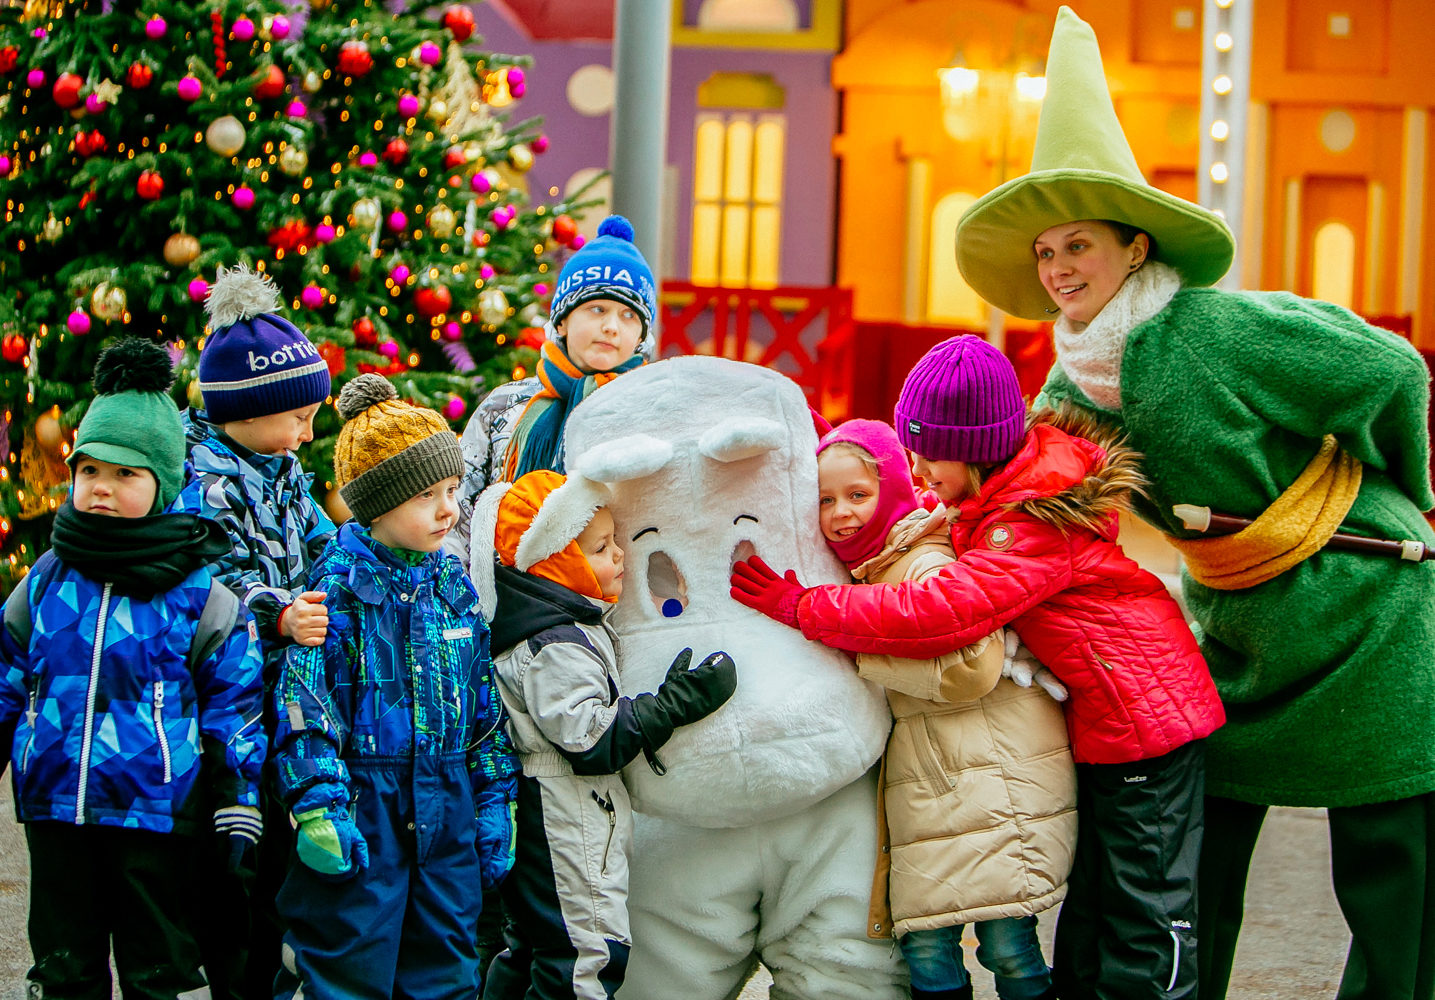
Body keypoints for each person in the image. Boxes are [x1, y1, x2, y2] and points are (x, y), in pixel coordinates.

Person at [953, 8, 1435, 1000]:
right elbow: (1028, 495)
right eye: (1044, 254)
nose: (1057, 269)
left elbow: (1390, 369)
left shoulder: (1219, 326)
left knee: (1388, 854)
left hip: (1367, 600)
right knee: (1197, 831)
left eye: (1077, 245)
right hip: (1237, 621)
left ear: (1134, 248)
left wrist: (1399, 492)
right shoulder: (1068, 389)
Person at [731, 335, 1226, 999]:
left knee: (1145, 909)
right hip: (1112, 722)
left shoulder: (1026, 522)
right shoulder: (1001, 499)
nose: (918, 468)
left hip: (1147, 724)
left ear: (974, 448)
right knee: (1095, 911)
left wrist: (802, 606)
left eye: (930, 453)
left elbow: (940, 611)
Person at [0, 338, 265, 999]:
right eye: (90, 470)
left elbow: (235, 707)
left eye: (126, 475)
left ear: (163, 484)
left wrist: (237, 798)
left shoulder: (200, 597)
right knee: (63, 968)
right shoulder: (46, 582)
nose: (102, 488)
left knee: (159, 969)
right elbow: (5, 675)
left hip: (157, 816)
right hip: (57, 810)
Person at [269, 373, 519, 1000]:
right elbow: (306, 704)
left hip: (447, 801)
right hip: (365, 803)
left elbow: (483, 707)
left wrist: (495, 796)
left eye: (452, 489)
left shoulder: (453, 586)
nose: (447, 509)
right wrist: (318, 802)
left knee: (446, 968)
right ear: (377, 505)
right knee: (347, 962)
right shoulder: (336, 591)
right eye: (426, 495)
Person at [815, 418, 1075, 1000]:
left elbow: (972, 668)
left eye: (858, 494)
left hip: (986, 784)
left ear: (894, 488)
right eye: (825, 500)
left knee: (1005, 945)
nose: (841, 513)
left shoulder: (924, 563)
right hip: (936, 791)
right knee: (929, 950)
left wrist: (859, 655)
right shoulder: (872, 569)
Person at [467, 468, 737, 1000]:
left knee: (534, 950)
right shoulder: (553, 643)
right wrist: (675, 703)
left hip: (560, 813)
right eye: (599, 548)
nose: (619, 555)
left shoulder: (561, 624)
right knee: (584, 958)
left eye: (615, 541)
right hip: (562, 818)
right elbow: (590, 740)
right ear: (554, 561)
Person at [170, 262, 336, 1000]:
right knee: (231, 859)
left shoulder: (282, 466)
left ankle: (267, 968)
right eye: (298, 416)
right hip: (227, 695)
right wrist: (280, 612)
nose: (308, 431)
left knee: (277, 860)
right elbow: (216, 580)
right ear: (247, 408)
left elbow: (323, 540)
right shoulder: (205, 479)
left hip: (283, 689)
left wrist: (350, 570)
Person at [449, 214, 657, 562]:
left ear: (640, 336)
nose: (611, 326)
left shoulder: (650, 415)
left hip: (611, 591)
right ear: (562, 321)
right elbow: (459, 511)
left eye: (629, 316)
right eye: (597, 309)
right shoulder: (504, 406)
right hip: (505, 588)